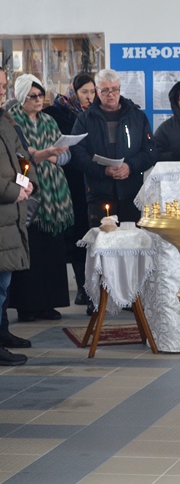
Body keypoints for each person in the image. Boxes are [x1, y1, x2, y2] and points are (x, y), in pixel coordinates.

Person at [8, 75, 73, 322]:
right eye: (32, 96)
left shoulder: (49, 120)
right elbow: (20, 156)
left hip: (55, 194)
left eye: (40, 95)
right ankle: (28, 305)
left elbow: (66, 158)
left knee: (52, 251)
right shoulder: (13, 120)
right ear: (22, 97)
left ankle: (50, 303)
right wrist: (43, 155)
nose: (38, 100)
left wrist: (51, 156)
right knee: (31, 250)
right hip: (28, 188)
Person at [71, 68, 157, 225]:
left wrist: (130, 166)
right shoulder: (85, 118)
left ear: (119, 88)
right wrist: (103, 170)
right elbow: (77, 154)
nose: (111, 94)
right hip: (99, 193)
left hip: (131, 193)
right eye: (105, 90)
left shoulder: (137, 116)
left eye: (115, 89)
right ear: (97, 91)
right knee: (102, 243)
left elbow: (150, 151)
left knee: (132, 244)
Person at [42, 74, 95, 308]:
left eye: (93, 92)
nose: (89, 97)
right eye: (85, 92)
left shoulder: (96, 114)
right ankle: (82, 286)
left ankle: (98, 286)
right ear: (74, 91)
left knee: (94, 231)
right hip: (70, 179)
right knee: (76, 233)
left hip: (92, 177)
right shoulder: (58, 113)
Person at [0, 69, 37, 363]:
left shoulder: (5, 120)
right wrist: (13, 191)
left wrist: (26, 181)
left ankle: (2, 335)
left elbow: (21, 156)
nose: (2, 92)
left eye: (3, 86)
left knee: (3, 286)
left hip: (9, 218)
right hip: (5, 208)